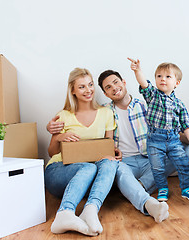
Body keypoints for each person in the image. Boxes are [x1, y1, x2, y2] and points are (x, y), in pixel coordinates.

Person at [47, 69, 189, 222]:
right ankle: (145, 199)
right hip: (124, 163)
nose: (114, 88)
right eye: (108, 87)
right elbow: (103, 144)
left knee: (186, 150)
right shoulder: (105, 111)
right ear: (105, 93)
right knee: (113, 166)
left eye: (116, 82)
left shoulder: (149, 105)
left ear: (124, 82)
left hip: (150, 158)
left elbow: (172, 134)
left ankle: (139, 186)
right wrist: (55, 133)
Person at [44, 68, 121, 237]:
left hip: (88, 178)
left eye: (90, 85)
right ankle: (64, 213)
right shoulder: (63, 115)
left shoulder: (106, 113)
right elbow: (51, 153)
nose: (88, 90)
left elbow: (108, 145)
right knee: (88, 168)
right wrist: (59, 137)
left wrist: (113, 153)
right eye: (82, 87)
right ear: (72, 90)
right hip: (59, 171)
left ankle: (90, 210)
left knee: (109, 163)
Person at [128, 58, 189, 202]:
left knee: (183, 163)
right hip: (155, 140)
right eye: (159, 76)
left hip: (173, 139)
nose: (163, 79)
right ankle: (162, 188)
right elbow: (144, 83)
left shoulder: (179, 104)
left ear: (176, 83)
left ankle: (186, 188)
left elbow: (186, 124)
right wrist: (137, 71)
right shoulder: (153, 96)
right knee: (157, 167)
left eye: (168, 77)